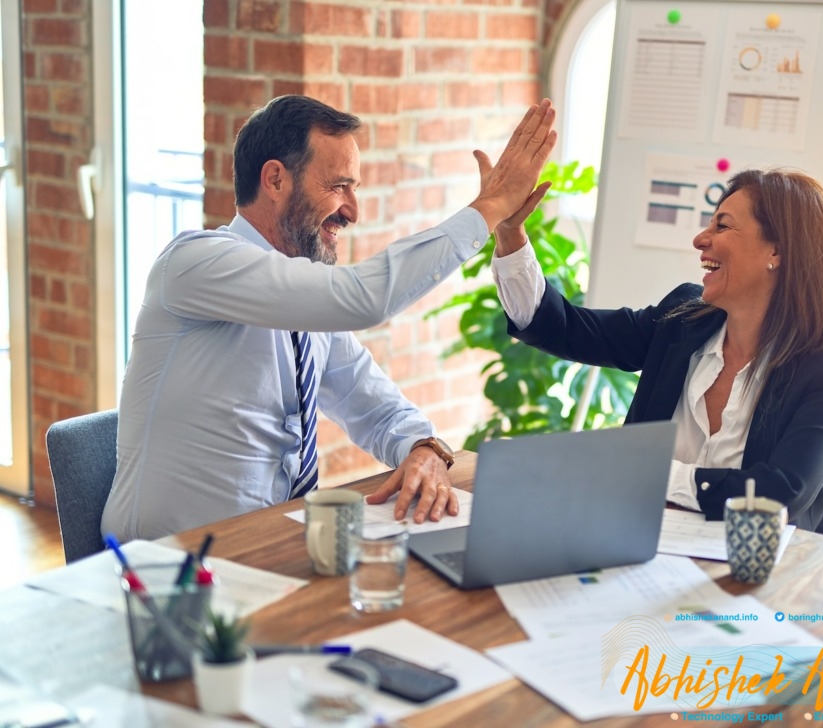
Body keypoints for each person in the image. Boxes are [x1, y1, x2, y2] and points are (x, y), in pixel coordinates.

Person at [101, 94, 555, 541]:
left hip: (271, 549)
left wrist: (424, 447)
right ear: (275, 180)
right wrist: (490, 207)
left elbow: (375, 406)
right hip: (166, 569)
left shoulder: (305, 305)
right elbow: (363, 298)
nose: (352, 211)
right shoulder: (196, 263)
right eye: (339, 186)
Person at [491, 168, 823, 530]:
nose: (700, 239)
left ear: (777, 252)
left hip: (754, 576)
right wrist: (510, 232)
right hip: (637, 547)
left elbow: (777, 496)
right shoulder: (681, 321)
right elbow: (563, 328)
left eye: (722, 225)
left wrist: (649, 473)